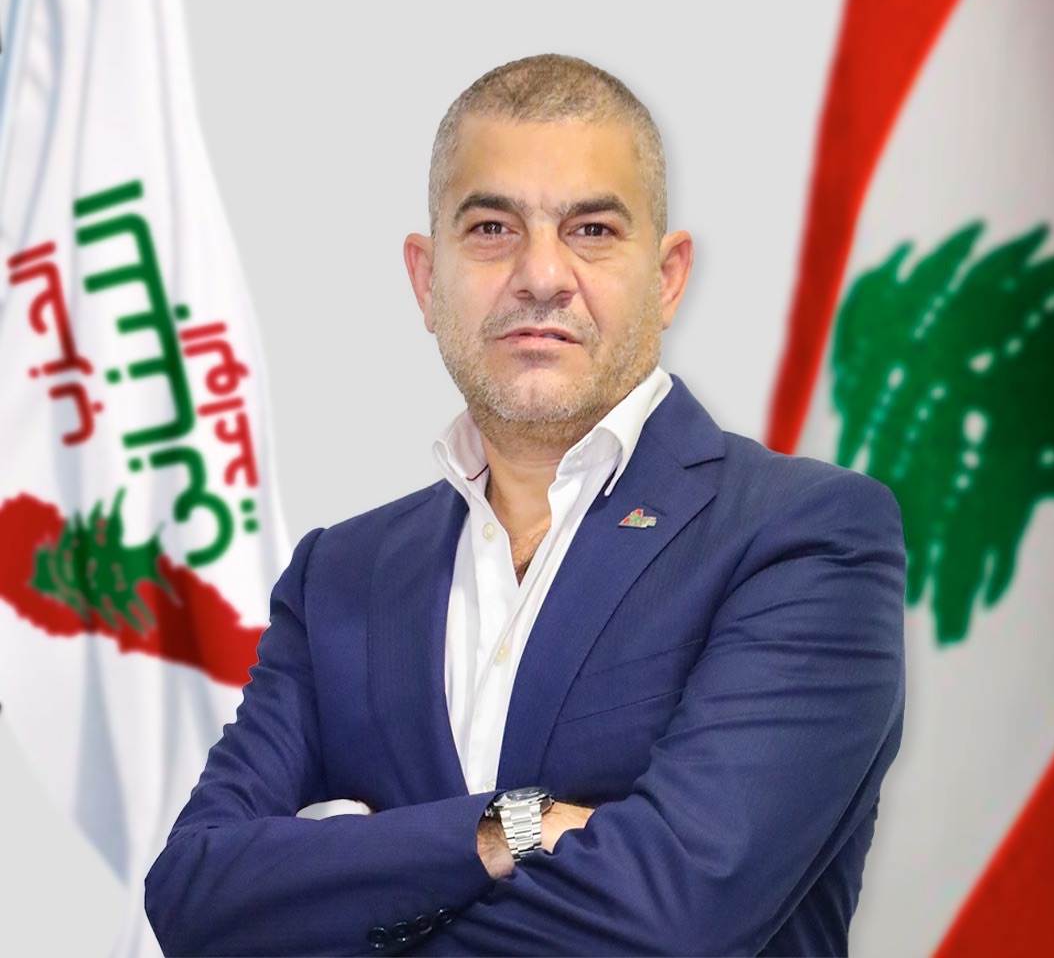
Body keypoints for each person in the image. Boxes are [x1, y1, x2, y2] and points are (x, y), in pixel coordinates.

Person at [145, 54, 906, 957]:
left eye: (591, 229)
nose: (542, 274)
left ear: (667, 277)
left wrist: (337, 884)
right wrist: (519, 824)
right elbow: (193, 892)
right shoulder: (337, 577)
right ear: (426, 280)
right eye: (492, 228)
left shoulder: (804, 538)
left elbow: (674, 918)